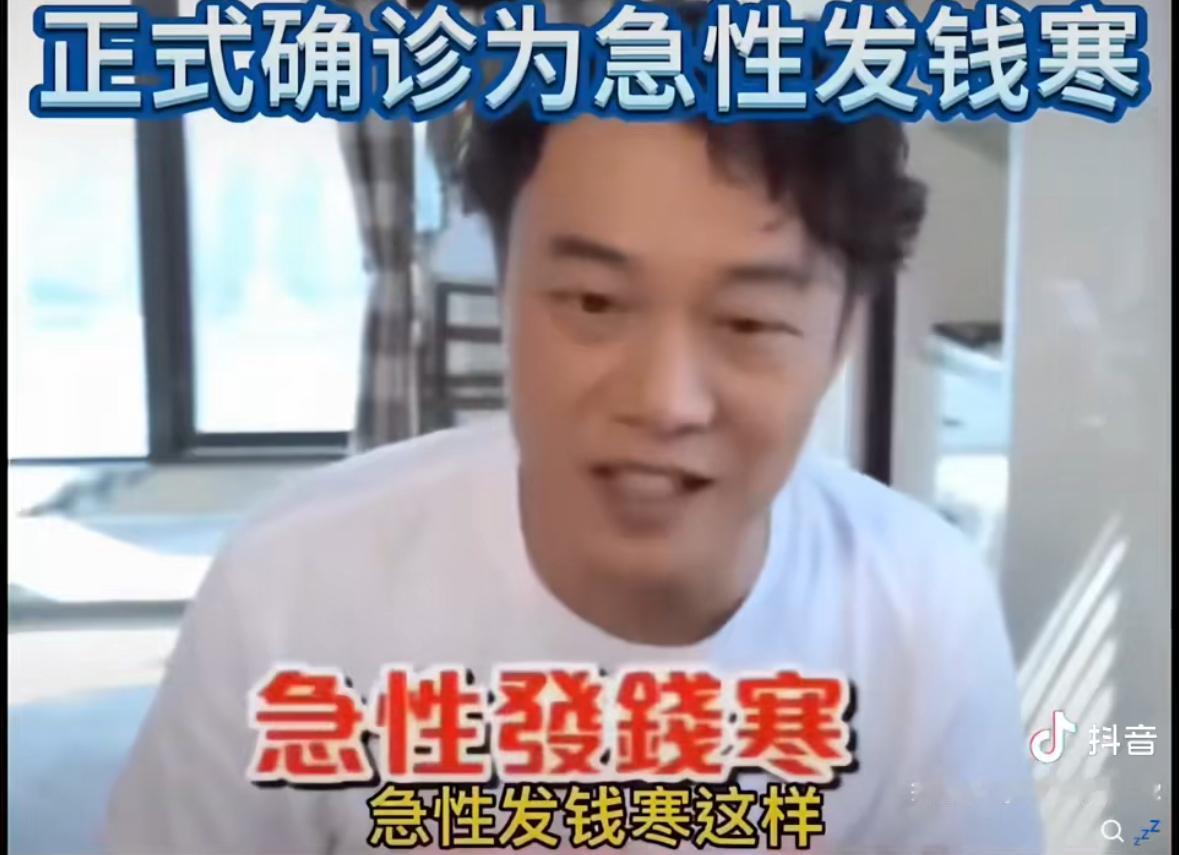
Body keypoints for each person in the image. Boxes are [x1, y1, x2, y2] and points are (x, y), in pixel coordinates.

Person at [104, 48, 1043, 855]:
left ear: (838, 343)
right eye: (593, 302)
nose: (662, 400)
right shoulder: (292, 592)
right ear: (503, 287)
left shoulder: (922, 610)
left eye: (750, 319)